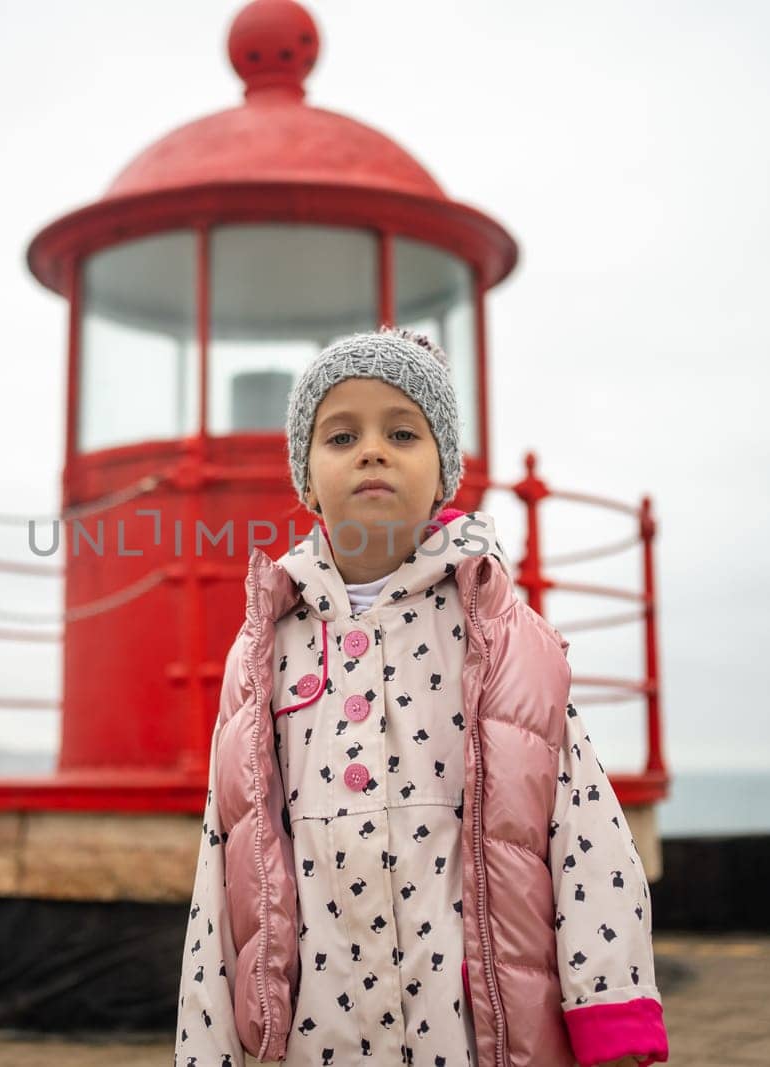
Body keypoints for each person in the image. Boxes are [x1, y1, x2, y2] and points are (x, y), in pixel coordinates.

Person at [174, 326, 669, 1066]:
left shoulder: (503, 640)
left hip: (474, 1036)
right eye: (341, 435)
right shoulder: (264, 650)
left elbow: (587, 834)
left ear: (445, 473)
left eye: (403, 431)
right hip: (320, 1038)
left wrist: (612, 1016)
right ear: (305, 480)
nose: (372, 449)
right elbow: (227, 856)